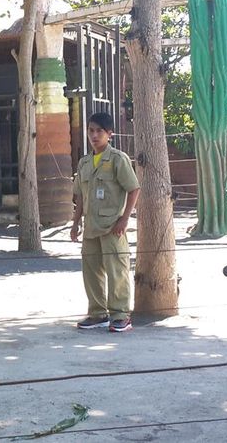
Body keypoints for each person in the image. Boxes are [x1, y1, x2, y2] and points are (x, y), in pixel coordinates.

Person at [70, 112, 140, 332]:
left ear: (110, 134)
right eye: (91, 130)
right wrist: (75, 222)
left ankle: (120, 314)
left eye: (99, 131)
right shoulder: (84, 163)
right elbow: (80, 195)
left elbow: (133, 189)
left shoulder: (118, 159)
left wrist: (124, 219)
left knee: (116, 270)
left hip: (113, 226)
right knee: (91, 271)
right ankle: (97, 313)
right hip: (90, 226)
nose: (94, 135)